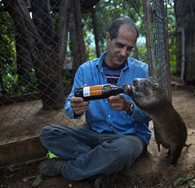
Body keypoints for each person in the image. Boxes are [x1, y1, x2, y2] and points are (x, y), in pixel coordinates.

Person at [38, 17, 151, 187]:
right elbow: (70, 108)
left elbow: (148, 116)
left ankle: (66, 169)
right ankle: (105, 165)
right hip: (94, 134)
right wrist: (76, 108)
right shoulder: (85, 70)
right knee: (48, 133)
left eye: (129, 48)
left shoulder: (142, 71)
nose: (123, 53)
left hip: (129, 137)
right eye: (119, 45)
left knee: (122, 150)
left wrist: (129, 107)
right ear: (108, 38)